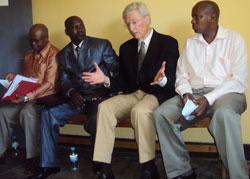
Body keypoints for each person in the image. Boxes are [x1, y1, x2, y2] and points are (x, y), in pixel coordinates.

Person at [82, 2, 179, 179]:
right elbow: (124, 81)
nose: (131, 28)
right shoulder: (126, 47)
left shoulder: (168, 43)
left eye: (135, 22)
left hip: (157, 94)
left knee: (140, 112)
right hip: (134, 93)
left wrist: (162, 79)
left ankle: (149, 167)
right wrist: (106, 80)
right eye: (128, 24)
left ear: (147, 18)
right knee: (104, 108)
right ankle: (104, 168)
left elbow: (172, 81)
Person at [153, 1, 249, 179]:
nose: (193, 21)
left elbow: (238, 79)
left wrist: (208, 99)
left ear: (212, 17)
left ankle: (239, 176)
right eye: (193, 17)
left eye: (197, 17)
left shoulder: (234, 39)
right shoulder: (190, 43)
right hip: (195, 94)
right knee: (162, 114)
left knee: (225, 114)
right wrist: (186, 94)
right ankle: (182, 172)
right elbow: (182, 76)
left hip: (226, 94)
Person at [27, 16, 118, 179]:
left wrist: (106, 86)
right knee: (48, 114)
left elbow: (118, 71)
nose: (80, 29)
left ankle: (100, 162)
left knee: (96, 119)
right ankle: (48, 165)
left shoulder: (101, 45)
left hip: (98, 96)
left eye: (81, 25)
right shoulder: (62, 54)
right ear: (67, 32)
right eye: (74, 27)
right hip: (75, 99)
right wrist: (71, 92)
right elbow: (63, 80)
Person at [0, 24, 59, 173]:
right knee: (4, 112)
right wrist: (13, 79)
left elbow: (49, 83)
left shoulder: (54, 55)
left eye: (37, 41)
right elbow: (26, 79)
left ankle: (33, 157)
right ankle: (1, 152)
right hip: (27, 97)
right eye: (31, 41)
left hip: (45, 99)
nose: (33, 44)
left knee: (27, 113)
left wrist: (27, 97)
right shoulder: (29, 55)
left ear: (46, 38)